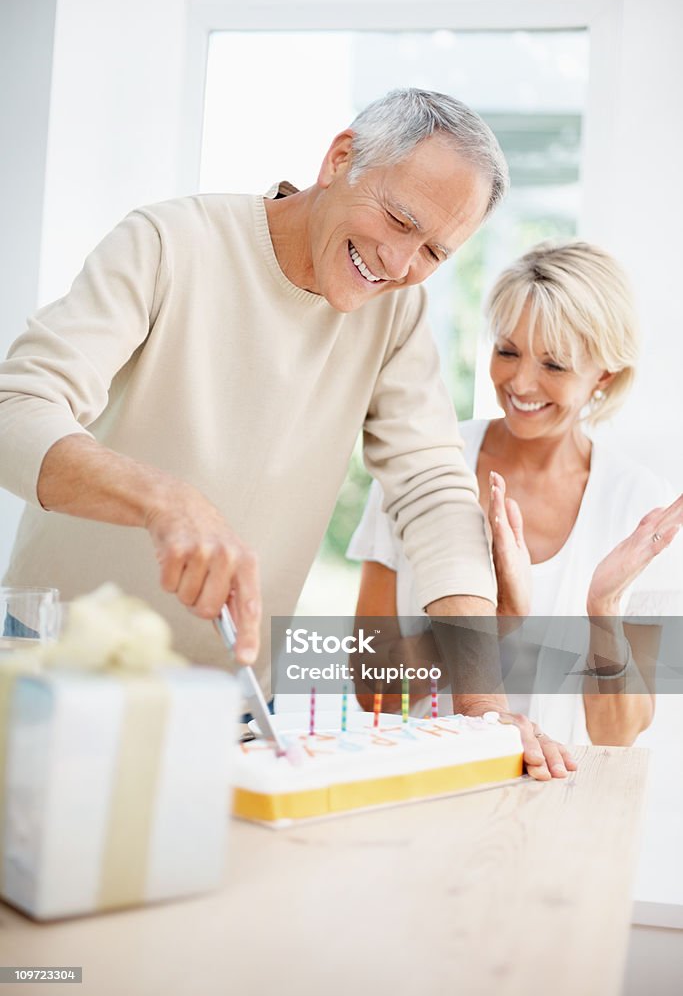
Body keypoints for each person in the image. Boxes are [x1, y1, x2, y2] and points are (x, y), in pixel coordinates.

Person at [0, 88, 574, 778]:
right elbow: (17, 408)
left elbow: (431, 492)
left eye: (432, 252)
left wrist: (483, 703)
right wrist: (163, 500)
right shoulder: (170, 243)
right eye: (397, 219)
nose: (397, 265)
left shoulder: (394, 315)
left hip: (230, 696)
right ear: (339, 160)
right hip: (56, 662)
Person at [349, 240, 683, 745]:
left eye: (555, 365)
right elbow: (373, 689)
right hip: (436, 788)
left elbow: (617, 735)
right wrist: (497, 622)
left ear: (604, 376)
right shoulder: (423, 464)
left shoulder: (640, 506)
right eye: (507, 351)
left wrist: (604, 609)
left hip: (564, 799)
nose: (521, 382)